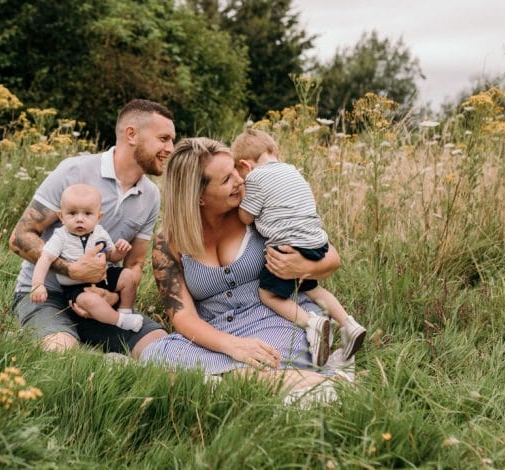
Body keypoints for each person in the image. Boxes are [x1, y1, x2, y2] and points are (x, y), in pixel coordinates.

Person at [140, 137, 342, 392]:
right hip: (218, 331)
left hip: (280, 318)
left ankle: (329, 384)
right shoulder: (169, 242)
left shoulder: (255, 211)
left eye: (235, 169)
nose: (239, 180)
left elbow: (332, 258)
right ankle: (286, 382)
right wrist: (230, 344)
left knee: (257, 364)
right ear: (198, 196)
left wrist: (301, 265)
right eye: (226, 179)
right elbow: (183, 316)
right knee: (156, 355)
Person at [9, 99, 175, 356]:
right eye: (163, 139)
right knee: (61, 351)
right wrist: (71, 270)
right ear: (131, 134)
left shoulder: (151, 195)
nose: (170, 148)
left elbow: (134, 263)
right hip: (45, 295)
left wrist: (112, 298)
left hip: (100, 297)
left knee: (160, 345)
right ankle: (65, 339)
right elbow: (20, 237)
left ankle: (101, 344)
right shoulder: (73, 171)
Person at [231, 129, 366, 366]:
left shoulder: (255, 178)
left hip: (287, 247)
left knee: (268, 294)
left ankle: (311, 324)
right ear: (273, 151)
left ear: (245, 165)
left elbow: (245, 217)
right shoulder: (292, 170)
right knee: (312, 289)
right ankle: (348, 324)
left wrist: (244, 198)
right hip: (316, 241)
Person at [30, 183, 144, 332]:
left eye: (87, 214)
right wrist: (38, 284)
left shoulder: (99, 232)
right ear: (61, 216)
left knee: (128, 276)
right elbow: (45, 259)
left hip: (104, 276)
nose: (79, 219)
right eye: (72, 213)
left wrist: (119, 252)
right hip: (76, 285)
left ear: (99, 217)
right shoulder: (61, 236)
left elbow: (111, 256)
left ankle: (125, 311)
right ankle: (119, 321)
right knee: (90, 301)